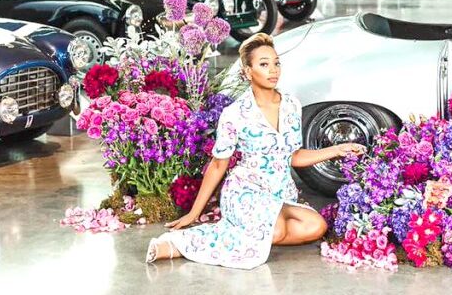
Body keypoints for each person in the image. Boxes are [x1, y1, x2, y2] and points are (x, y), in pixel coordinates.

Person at [145, 33, 365, 268]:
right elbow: (219, 164)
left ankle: (253, 236)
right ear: (248, 71)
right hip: (245, 191)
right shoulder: (235, 113)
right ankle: (179, 245)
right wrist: (194, 213)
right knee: (278, 230)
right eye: (264, 64)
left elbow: (294, 157)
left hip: (280, 194)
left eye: (276, 63)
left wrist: (337, 149)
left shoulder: (291, 105)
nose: (273, 70)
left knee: (316, 227)